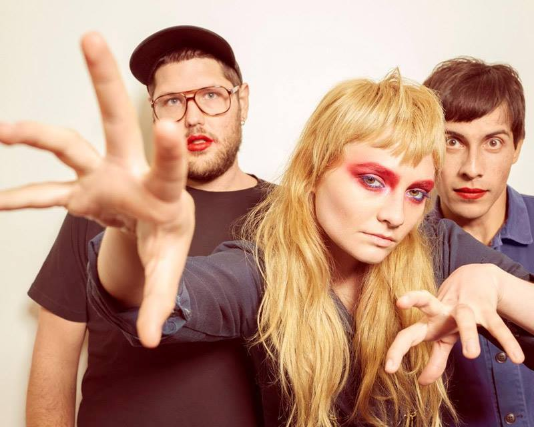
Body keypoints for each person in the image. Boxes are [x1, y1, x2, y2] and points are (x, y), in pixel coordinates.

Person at [2, 34, 532, 427]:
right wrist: (128, 234)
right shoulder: (264, 263)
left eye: (416, 192)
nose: (396, 213)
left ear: (241, 99)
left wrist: (497, 285)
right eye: (372, 180)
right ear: (314, 171)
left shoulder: (438, 245)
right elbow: (160, 297)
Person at [24, 26, 269, 427]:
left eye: (211, 95)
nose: (193, 118)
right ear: (154, 114)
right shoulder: (107, 208)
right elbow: (53, 372)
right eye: (172, 101)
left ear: (242, 101)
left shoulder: (292, 216)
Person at [423, 57, 534, 427]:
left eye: (493, 142)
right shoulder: (393, 244)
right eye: (452, 141)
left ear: (517, 147)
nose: (472, 168)